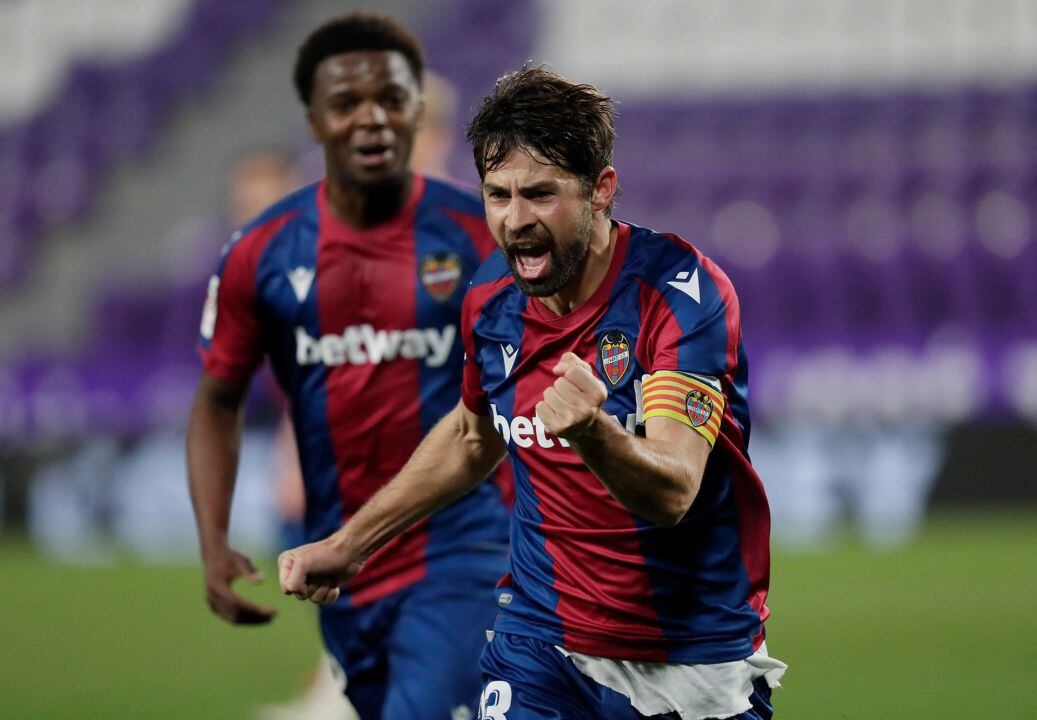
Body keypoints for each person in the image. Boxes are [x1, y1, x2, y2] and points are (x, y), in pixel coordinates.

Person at [278, 66, 787, 719]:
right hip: (539, 643)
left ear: (601, 189)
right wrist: (350, 545)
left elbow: (674, 490)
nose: (515, 221)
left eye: (540, 195)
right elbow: (469, 437)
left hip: (691, 657)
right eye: (498, 195)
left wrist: (593, 433)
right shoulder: (490, 299)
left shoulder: (679, 294)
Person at [186, 13, 511, 719]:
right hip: (339, 566)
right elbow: (217, 397)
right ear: (314, 120)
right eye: (346, 104)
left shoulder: (481, 237)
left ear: (417, 113)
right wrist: (212, 540)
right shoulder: (262, 252)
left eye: (391, 102)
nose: (371, 121)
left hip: (464, 547)